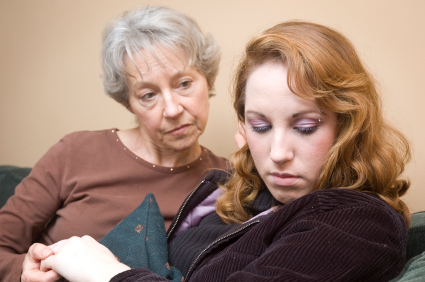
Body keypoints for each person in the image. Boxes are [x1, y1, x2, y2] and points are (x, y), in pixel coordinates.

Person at [37, 20, 411, 281]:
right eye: (261, 126)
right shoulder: (237, 194)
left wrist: (106, 273)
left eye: (305, 127)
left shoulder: (359, 221)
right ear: (242, 127)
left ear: (348, 124)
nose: (277, 152)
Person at [0, 6, 230, 282]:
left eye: (184, 83)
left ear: (207, 80)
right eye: (148, 95)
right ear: (129, 102)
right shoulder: (75, 152)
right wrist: (23, 272)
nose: (171, 109)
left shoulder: (231, 184)